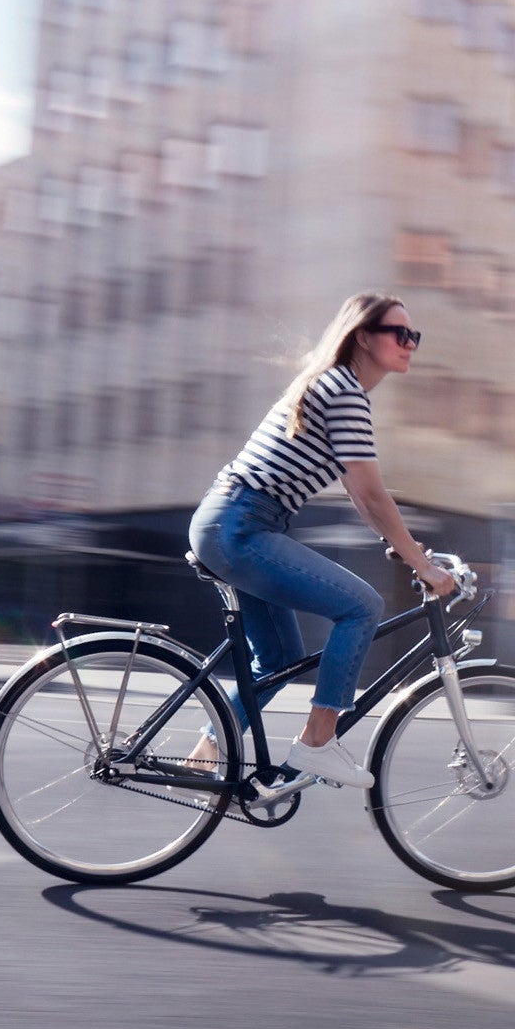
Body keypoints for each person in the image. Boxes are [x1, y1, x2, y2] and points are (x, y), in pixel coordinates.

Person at [186, 290, 455, 792]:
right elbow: (372, 494)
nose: (410, 344)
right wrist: (422, 566)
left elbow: (360, 496)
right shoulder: (344, 390)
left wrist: (406, 549)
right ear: (363, 337)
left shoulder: (334, 386)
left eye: (414, 335)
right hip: (242, 525)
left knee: (280, 660)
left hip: (232, 522)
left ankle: (206, 754)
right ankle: (317, 741)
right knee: (362, 607)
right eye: (400, 333)